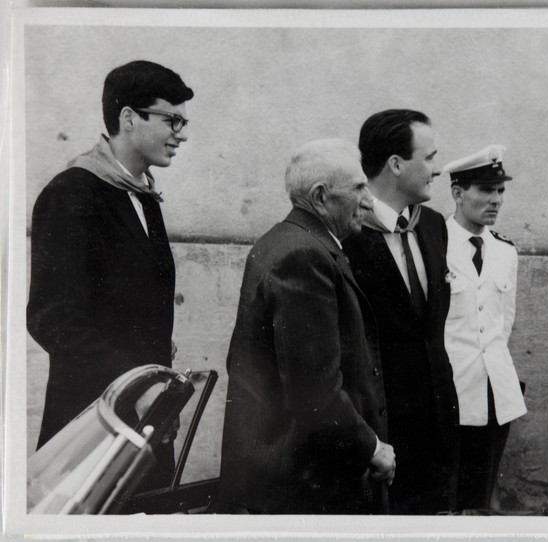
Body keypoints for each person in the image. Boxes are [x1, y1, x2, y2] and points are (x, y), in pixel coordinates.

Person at [219, 139, 395, 515]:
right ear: (320, 197)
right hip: (302, 485)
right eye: (359, 188)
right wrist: (373, 448)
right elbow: (315, 392)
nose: (369, 199)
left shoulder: (288, 241)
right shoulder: (304, 255)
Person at [27, 60, 194, 450]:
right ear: (129, 118)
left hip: (140, 419)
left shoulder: (143, 196)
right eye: (172, 121)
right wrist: (134, 384)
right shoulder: (72, 194)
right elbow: (50, 318)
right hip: (91, 422)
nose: (181, 135)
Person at [343, 109, 460, 514]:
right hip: (381, 433)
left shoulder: (432, 225)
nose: (438, 169)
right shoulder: (347, 233)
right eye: (429, 158)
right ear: (395, 164)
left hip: (436, 428)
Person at [442, 145, 527, 511]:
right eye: (485, 190)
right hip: (449, 388)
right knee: (444, 495)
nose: (496, 200)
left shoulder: (506, 252)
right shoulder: (433, 244)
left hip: (494, 390)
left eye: (500, 191)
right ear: (458, 194)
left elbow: (503, 323)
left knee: (479, 495)